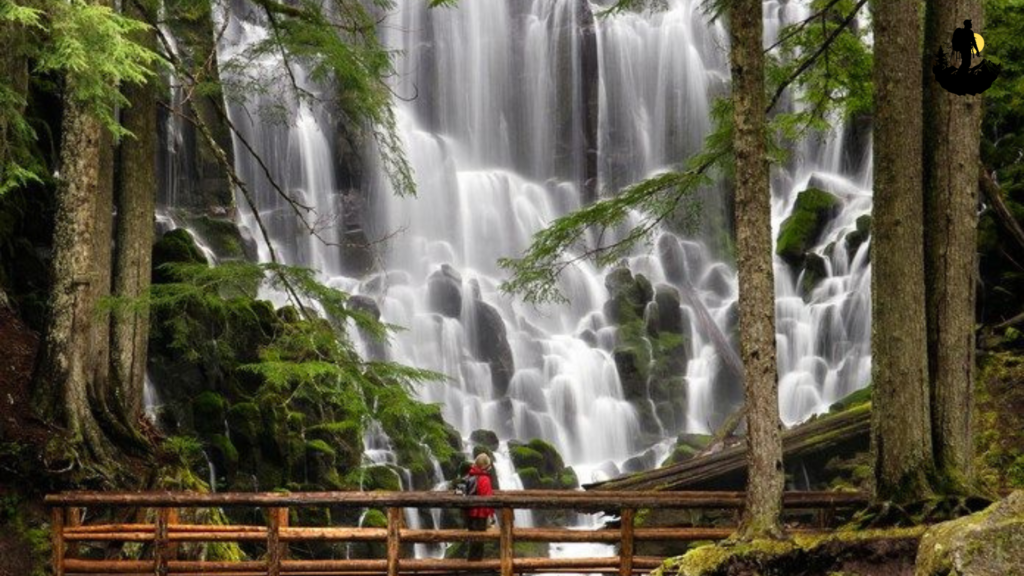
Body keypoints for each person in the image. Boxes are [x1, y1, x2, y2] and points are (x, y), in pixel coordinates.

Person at [465, 453, 495, 562]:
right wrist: (491, 517)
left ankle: (471, 566)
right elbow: (487, 500)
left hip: (469, 514)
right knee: (479, 543)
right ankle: (476, 568)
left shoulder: (470, 476)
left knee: (473, 542)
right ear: (485, 466)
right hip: (480, 515)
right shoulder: (484, 479)